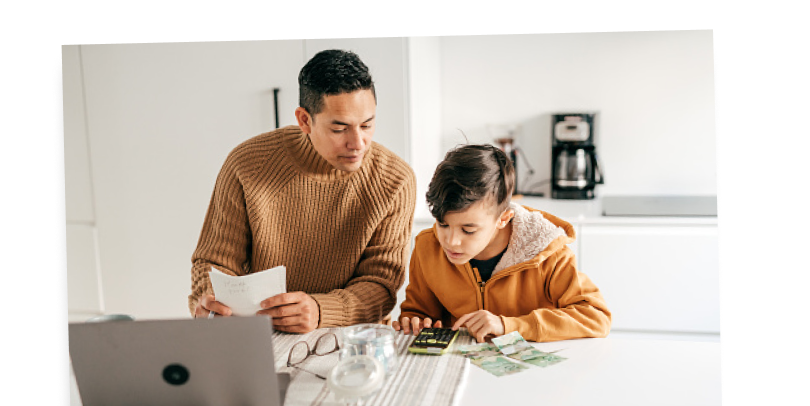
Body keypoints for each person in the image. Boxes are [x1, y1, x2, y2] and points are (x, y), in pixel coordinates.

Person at [189, 49, 416, 333]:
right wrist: (210, 302)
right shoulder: (247, 164)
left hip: (355, 340)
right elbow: (214, 262)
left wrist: (321, 311)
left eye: (367, 125)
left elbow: (381, 285)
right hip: (261, 336)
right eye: (340, 128)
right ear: (305, 120)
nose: (358, 142)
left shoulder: (395, 179)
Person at [394, 143, 610, 343]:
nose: (451, 242)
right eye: (442, 224)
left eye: (468, 230)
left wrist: (509, 326)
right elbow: (419, 312)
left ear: (503, 219)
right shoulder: (427, 247)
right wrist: (414, 320)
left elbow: (596, 316)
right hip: (461, 372)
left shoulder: (547, 253)